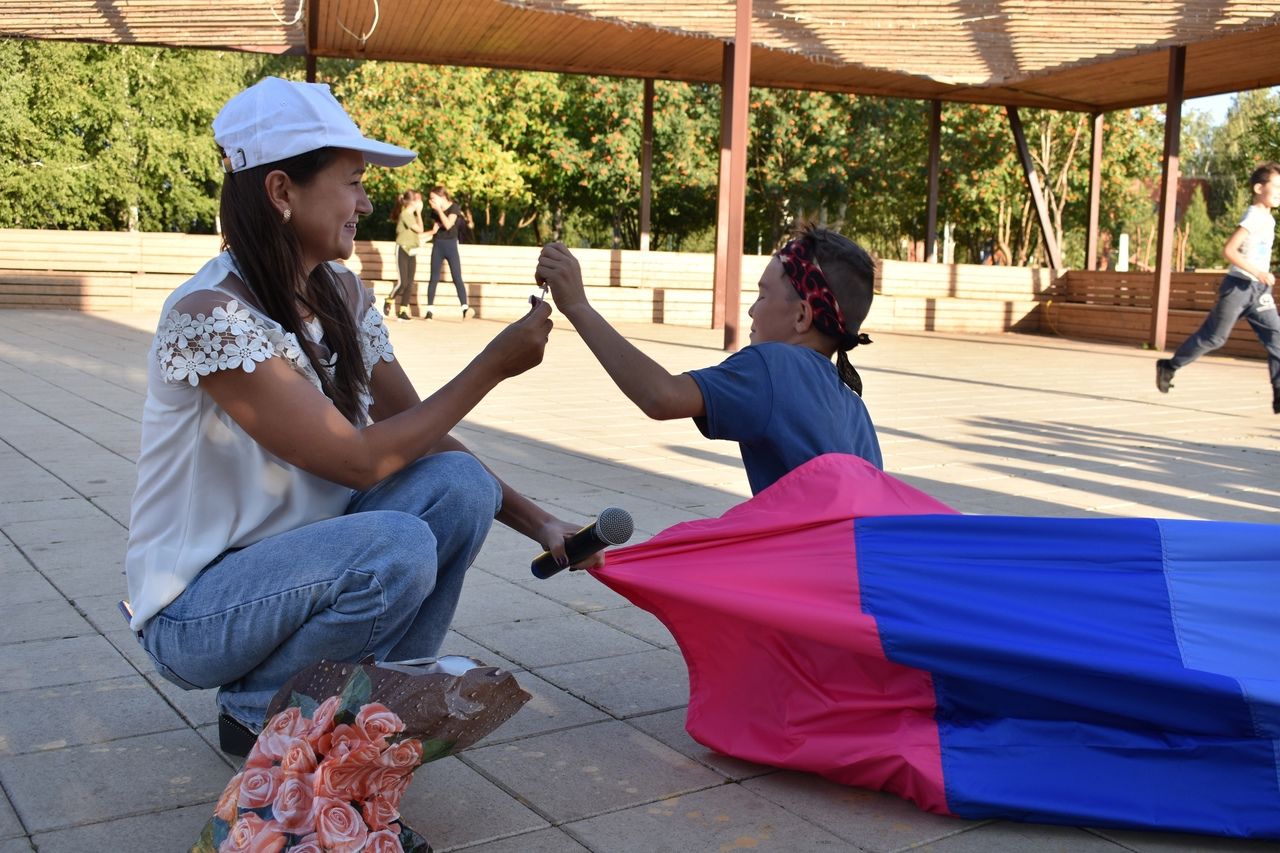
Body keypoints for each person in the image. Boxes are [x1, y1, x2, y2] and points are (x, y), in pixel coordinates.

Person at [123, 77, 589, 753]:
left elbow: (423, 431)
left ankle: (377, 699)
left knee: (464, 486)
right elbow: (359, 458)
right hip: (201, 609)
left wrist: (540, 521)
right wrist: (491, 364)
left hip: (302, 567)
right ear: (281, 192)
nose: (366, 202)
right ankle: (263, 711)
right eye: (352, 182)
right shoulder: (211, 317)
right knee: (394, 547)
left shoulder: (339, 291)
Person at [535, 224, 882, 496]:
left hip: (804, 576)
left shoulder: (775, 366)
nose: (751, 309)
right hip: (850, 575)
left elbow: (661, 396)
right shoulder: (855, 409)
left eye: (762, 295)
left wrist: (578, 306)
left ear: (801, 316)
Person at [1156, 162, 1280, 413]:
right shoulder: (1253, 217)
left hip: (1258, 291)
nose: (1279, 191)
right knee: (1214, 337)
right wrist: (1258, 272)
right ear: (1258, 188)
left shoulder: (1269, 219)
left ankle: (1279, 395)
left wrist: (1261, 277)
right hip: (1238, 287)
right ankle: (1169, 366)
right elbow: (1229, 251)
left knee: (1277, 339)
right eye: (1275, 186)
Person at [424, 185, 469, 319]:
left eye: (433, 198)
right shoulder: (434, 211)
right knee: (434, 277)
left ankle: (465, 308)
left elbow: (449, 224)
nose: (431, 201)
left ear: (441, 197)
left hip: (451, 244)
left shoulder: (454, 207)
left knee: (457, 276)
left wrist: (439, 210)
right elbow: (436, 228)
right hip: (438, 244)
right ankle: (429, 310)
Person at [387, 188, 424, 321]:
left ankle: (403, 310)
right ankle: (389, 299)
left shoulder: (411, 216)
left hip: (412, 251)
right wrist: (419, 212)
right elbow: (420, 229)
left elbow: (420, 232)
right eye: (418, 199)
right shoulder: (405, 214)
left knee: (410, 283)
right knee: (403, 282)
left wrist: (418, 214)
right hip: (402, 249)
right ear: (412, 201)